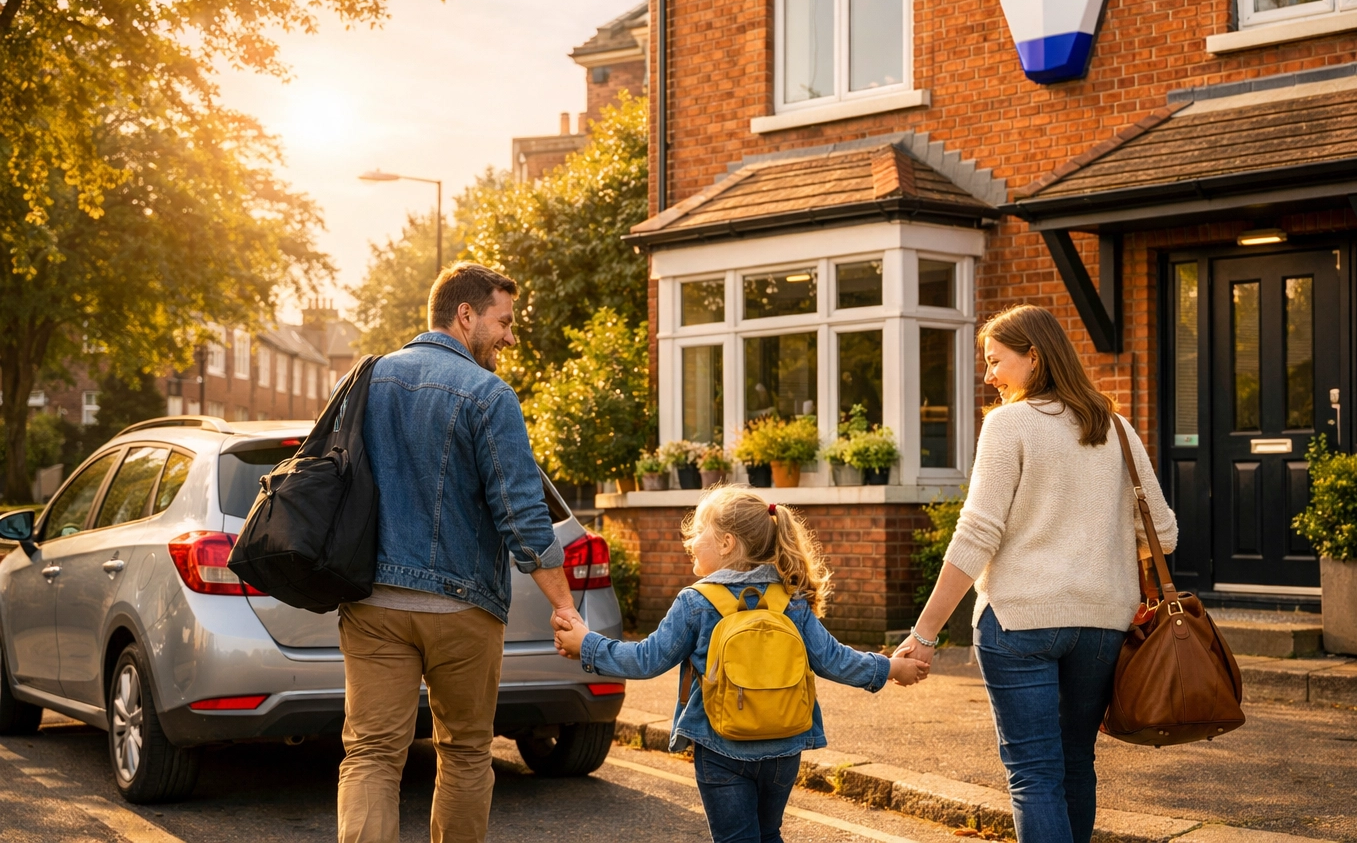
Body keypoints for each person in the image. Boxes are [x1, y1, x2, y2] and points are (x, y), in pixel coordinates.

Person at [894, 304, 1177, 843]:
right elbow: (1162, 534)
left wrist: (923, 634)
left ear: (1034, 357)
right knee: (1075, 762)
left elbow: (977, 535)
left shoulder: (1009, 424)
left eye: (996, 361)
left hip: (1018, 622)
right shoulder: (1115, 427)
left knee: (1034, 775)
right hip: (1101, 625)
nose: (988, 376)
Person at [336, 262, 578, 843]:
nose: (511, 337)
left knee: (370, 754)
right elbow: (522, 515)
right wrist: (565, 607)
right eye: (504, 321)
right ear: (465, 315)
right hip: (462, 608)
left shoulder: (365, 381)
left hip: (373, 604)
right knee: (466, 751)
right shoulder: (489, 395)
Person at [553, 486, 929, 843]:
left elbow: (645, 661)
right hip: (785, 747)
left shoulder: (695, 603)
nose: (690, 541)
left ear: (727, 543)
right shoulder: (790, 600)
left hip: (721, 748)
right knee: (769, 836)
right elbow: (834, 660)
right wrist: (891, 667)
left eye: (699, 531)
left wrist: (587, 645)